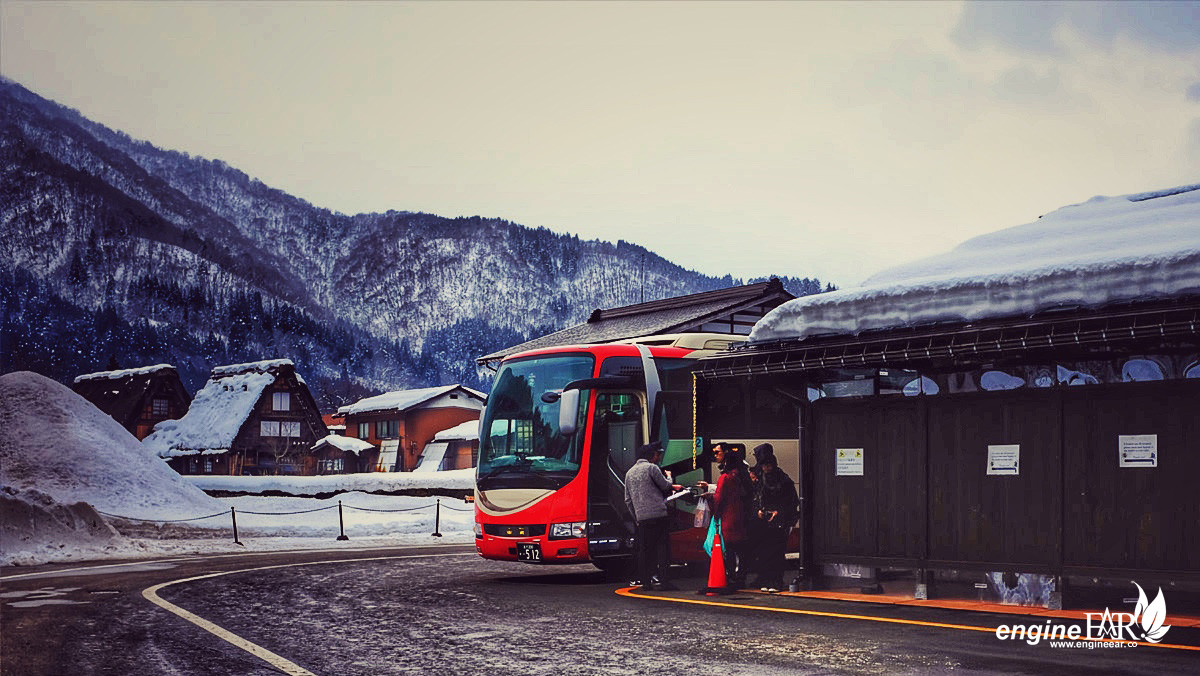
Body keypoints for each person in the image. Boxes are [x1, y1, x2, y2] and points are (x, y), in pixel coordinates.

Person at [623, 441, 682, 591]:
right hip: (658, 514)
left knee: (645, 550)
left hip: (642, 517)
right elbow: (665, 486)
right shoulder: (651, 468)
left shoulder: (629, 473)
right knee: (662, 548)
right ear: (651, 456)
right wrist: (669, 477)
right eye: (657, 455)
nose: (659, 457)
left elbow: (628, 500)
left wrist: (636, 516)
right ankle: (664, 581)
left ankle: (646, 582)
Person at [750, 445, 798, 592]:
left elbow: (792, 501)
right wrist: (758, 511)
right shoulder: (779, 479)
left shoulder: (782, 480)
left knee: (775, 552)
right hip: (767, 520)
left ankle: (774, 581)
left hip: (778, 521)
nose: (766, 468)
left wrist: (778, 512)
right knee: (766, 552)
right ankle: (768, 580)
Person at [711, 442, 753, 589]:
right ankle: (741, 576)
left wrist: (716, 514)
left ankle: (732, 577)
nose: (715, 455)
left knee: (729, 548)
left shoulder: (725, 478)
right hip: (741, 515)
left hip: (729, 517)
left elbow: (719, 499)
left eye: (717, 453)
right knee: (742, 549)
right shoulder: (740, 474)